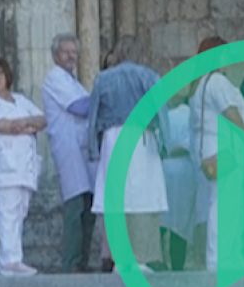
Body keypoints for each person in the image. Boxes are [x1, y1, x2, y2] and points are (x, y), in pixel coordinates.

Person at [86, 35, 168, 272]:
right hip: (141, 137)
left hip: (112, 138)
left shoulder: (103, 78)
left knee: (115, 199)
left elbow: (92, 118)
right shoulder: (149, 76)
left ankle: (119, 258)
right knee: (141, 198)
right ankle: (139, 257)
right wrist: (166, 143)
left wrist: (93, 147)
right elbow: (161, 111)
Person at [0, 57, 48, 276]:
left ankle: (15, 258)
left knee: (19, 212)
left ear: (7, 76)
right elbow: (4, 126)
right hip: (2, 168)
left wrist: (23, 126)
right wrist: (26, 125)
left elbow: (42, 120)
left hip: (24, 167)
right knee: (7, 212)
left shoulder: (20, 100)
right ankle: (8, 261)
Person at [188, 36, 244, 272]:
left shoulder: (201, 84)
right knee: (225, 204)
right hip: (225, 149)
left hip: (212, 151)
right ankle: (220, 258)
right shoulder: (217, 83)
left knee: (225, 202)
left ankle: (228, 256)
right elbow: (231, 115)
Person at [43, 34, 96, 273]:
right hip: (69, 149)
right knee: (75, 207)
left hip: (82, 150)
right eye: (66, 52)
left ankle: (82, 261)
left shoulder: (74, 82)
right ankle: (71, 263)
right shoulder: (55, 78)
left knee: (88, 206)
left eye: (74, 51)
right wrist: (104, 98)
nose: (71, 56)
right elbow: (80, 107)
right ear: (56, 55)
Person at [158, 91, 204, 272]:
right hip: (184, 171)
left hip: (164, 168)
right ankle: (177, 266)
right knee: (180, 224)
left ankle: (161, 263)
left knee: (162, 221)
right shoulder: (190, 114)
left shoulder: (167, 116)